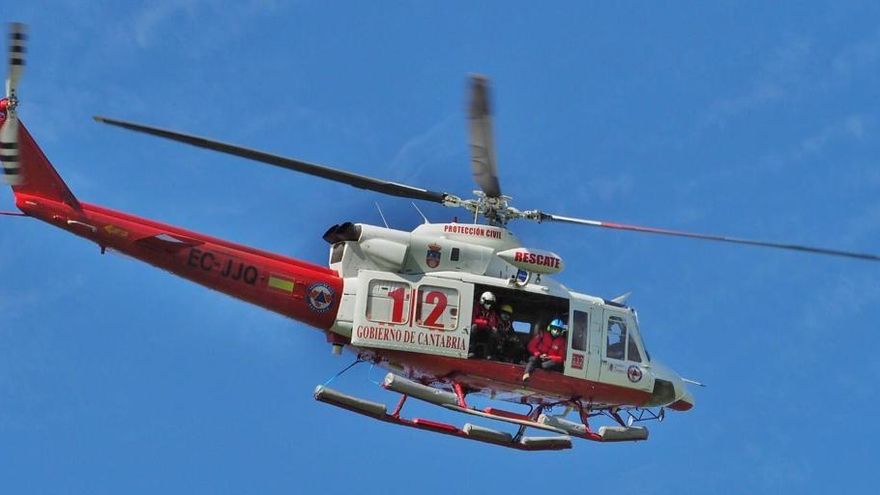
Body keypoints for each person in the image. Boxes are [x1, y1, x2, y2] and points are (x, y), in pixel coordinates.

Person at [522, 318, 567, 382]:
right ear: (550, 328)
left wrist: (549, 357)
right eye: (554, 328)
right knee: (533, 359)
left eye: (558, 330)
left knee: (547, 365)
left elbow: (561, 357)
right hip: (539, 357)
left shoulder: (562, 341)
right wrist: (538, 354)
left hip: (550, 361)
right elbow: (531, 345)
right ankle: (526, 374)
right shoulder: (542, 334)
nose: (556, 331)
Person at [468, 291, 499, 359]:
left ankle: (489, 354)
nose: (489, 305)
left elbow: (492, 323)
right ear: (483, 301)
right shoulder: (476, 308)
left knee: (495, 332)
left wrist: (489, 325)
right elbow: (472, 320)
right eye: (488, 303)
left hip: (486, 330)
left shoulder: (492, 312)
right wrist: (484, 322)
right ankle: (471, 351)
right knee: (473, 327)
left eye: (491, 303)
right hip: (476, 330)